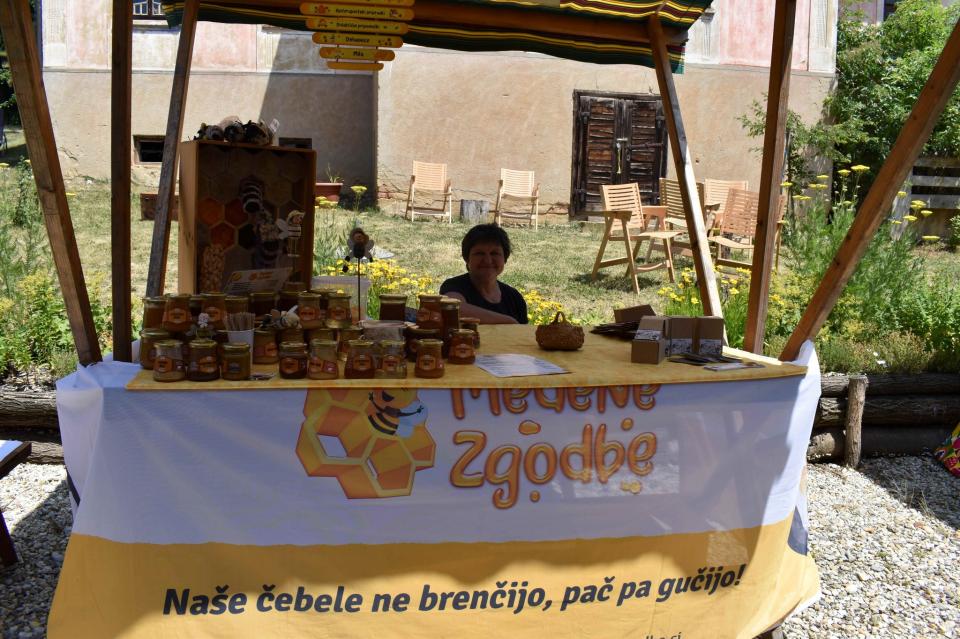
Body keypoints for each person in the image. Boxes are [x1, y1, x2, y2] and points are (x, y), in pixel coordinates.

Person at [439, 224, 528, 324]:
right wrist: (509, 321)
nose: (488, 260)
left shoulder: (514, 298)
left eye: (494, 253)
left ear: (504, 259)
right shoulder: (454, 286)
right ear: (467, 259)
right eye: (479, 253)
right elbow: (453, 309)